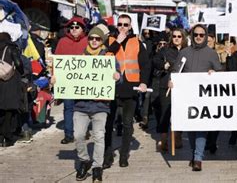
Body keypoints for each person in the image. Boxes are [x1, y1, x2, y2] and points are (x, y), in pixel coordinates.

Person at [64, 26, 120, 182]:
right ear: (88, 39)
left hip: (100, 106)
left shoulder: (109, 58)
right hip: (81, 106)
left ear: (102, 40)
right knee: (78, 135)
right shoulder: (80, 58)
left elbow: (119, 77)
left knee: (99, 137)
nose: (94, 41)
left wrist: (117, 76)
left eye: (97, 39)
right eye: (91, 38)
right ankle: (84, 160)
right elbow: (69, 77)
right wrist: (57, 80)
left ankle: (97, 166)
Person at [171, 24, 222, 172]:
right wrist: (171, 80)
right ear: (192, 36)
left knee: (200, 128)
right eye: (196, 35)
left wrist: (214, 73)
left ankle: (198, 157)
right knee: (190, 128)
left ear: (205, 36)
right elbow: (176, 71)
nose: (198, 37)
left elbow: (220, 72)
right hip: (186, 97)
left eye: (201, 35)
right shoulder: (184, 52)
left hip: (203, 98)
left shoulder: (211, 53)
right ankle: (194, 152)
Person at [107, 15, 151, 167]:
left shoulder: (137, 42)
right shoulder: (111, 41)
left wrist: (144, 82)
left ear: (130, 26)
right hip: (112, 87)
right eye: (120, 24)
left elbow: (145, 64)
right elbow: (104, 58)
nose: (122, 27)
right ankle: (108, 155)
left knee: (127, 124)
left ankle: (123, 155)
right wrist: (117, 42)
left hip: (130, 87)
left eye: (126, 25)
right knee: (109, 124)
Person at [152, 28, 187, 152]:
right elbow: (155, 61)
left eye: (179, 36)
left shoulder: (187, 51)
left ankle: (178, 136)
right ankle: (163, 138)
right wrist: (163, 65)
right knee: (165, 112)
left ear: (183, 38)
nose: (176, 38)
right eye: (174, 36)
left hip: (182, 87)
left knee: (180, 113)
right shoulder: (165, 50)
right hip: (166, 85)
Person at [55, 16, 88, 144]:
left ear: (82, 29)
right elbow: (57, 61)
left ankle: (82, 132)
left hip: (83, 82)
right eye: (72, 27)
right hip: (67, 83)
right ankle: (68, 134)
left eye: (77, 27)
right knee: (68, 108)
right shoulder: (62, 42)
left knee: (82, 108)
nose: (74, 29)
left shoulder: (87, 41)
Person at [0, 32, 24, 147]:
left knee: (0, 110)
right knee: (9, 110)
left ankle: (0, 137)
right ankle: (8, 136)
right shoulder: (11, 48)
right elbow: (19, 63)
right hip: (10, 82)